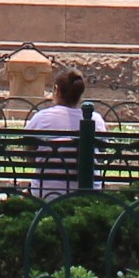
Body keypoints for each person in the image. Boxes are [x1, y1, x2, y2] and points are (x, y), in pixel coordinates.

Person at [24, 70, 103, 198]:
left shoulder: (41, 118)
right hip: (89, 195)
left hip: (47, 194)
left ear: (56, 90)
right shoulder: (96, 120)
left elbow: (30, 157)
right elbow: (100, 156)